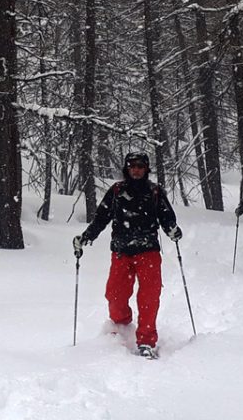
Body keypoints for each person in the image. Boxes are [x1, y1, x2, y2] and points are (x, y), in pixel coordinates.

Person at [72, 151, 182, 358]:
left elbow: (167, 218)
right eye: (133, 166)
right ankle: (121, 327)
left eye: (140, 166)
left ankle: (146, 341)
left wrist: (173, 230)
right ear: (127, 169)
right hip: (122, 252)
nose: (136, 170)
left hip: (148, 251)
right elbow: (101, 218)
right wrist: (86, 237)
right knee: (115, 295)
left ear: (146, 169)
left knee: (149, 297)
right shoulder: (116, 191)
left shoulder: (155, 192)